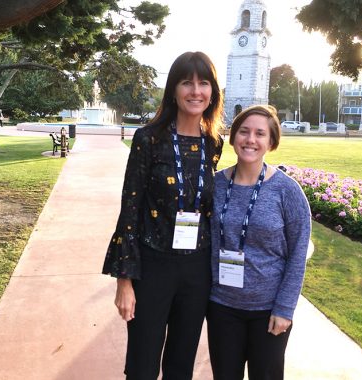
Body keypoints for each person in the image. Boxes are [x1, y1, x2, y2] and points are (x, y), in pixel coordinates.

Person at [102, 51, 225, 379]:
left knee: (181, 364)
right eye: (187, 82)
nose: (195, 91)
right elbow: (130, 209)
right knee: (142, 365)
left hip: (196, 270)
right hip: (153, 267)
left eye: (204, 83)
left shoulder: (213, 144)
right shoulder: (149, 139)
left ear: (213, 92)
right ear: (173, 89)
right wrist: (124, 280)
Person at [207, 105, 311, 380]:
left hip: (268, 312)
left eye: (260, 134)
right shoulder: (216, 185)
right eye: (244, 131)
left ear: (271, 142)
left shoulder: (287, 191)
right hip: (221, 306)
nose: (250, 139)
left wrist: (284, 308)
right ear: (233, 137)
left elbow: (298, 254)